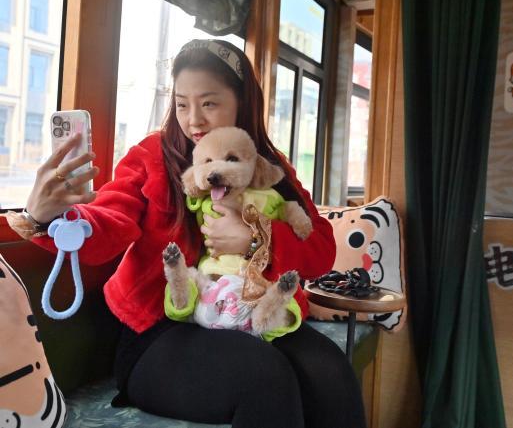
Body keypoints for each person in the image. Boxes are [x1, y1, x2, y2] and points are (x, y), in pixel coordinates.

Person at [17, 39, 367, 428]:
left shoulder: (267, 164)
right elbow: (109, 222)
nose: (193, 120)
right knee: (263, 377)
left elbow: (320, 250)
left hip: (252, 316)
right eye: (182, 104)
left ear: (242, 103)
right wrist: (51, 218)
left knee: (332, 374)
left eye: (209, 103)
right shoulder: (152, 155)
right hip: (160, 331)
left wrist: (256, 238)